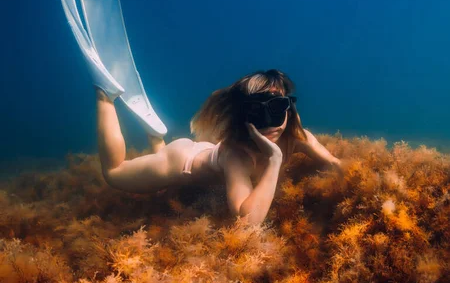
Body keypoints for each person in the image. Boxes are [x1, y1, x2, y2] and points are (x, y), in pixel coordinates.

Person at [96, 69, 341, 225]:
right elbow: (247, 221)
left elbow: (335, 165)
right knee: (114, 173)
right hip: (182, 161)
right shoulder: (238, 155)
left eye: (277, 108)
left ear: (289, 108)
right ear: (243, 116)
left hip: (207, 151)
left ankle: (156, 138)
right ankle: (105, 96)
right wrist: (275, 159)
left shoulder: (299, 137)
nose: (269, 123)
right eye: (257, 111)